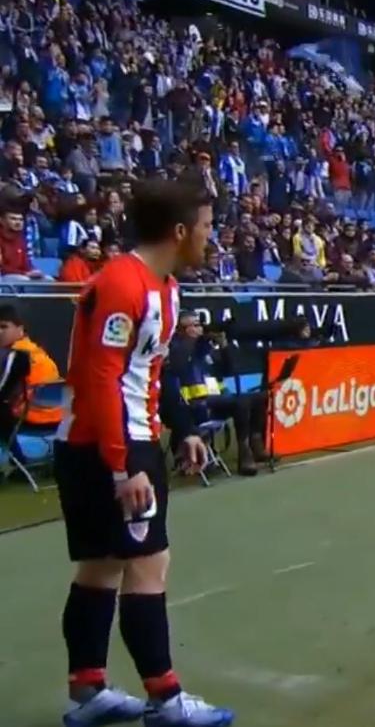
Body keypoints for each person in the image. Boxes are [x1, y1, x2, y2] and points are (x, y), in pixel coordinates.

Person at [53, 180, 234, 727]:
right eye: (206, 227)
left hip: (110, 441)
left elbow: (155, 369)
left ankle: (89, 690)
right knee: (149, 565)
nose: (211, 238)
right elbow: (102, 379)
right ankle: (167, 699)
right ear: (179, 231)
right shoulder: (121, 284)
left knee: (101, 567)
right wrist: (123, 466)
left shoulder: (166, 288)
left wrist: (184, 429)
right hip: (111, 444)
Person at [161, 309, 269, 475]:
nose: (200, 329)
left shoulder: (205, 349)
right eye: (194, 325)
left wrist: (223, 346)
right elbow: (179, 363)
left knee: (259, 397)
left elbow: (228, 369)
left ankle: (254, 444)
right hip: (193, 406)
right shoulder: (176, 349)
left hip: (215, 402)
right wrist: (194, 341)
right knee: (241, 402)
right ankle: (244, 453)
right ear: (180, 329)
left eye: (200, 325)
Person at [0, 303, 62, 442]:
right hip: (56, 419)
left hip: (29, 418)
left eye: (4, 327)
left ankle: (9, 452)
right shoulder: (38, 351)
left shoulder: (15, 355)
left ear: (20, 329)